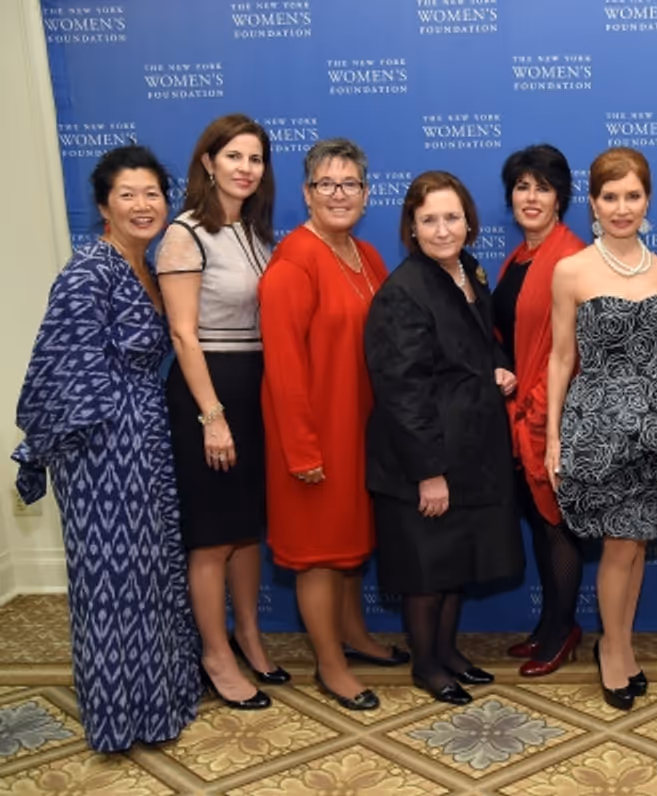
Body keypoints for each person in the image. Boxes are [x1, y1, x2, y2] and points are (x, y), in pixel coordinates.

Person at [12, 145, 201, 751]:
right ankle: (120, 718)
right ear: (103, 205)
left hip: (146, 441)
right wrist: (65, 442)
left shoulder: (142, 266)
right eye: (128, 195)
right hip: (100, 450)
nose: (143, 205)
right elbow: (57, 365)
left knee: (148, 574)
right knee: (111, 582)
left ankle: (159, 702)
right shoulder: (89, 270)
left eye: (152, 194)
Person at [546, 147, 657, 711]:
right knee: (619, 545)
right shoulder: (571, 270)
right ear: (593, 203)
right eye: (610, 197)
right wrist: (553, 439)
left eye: (632, 196)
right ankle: (612, 650)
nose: (622, 208)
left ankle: (622, 645)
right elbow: (561, 359)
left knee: (637, 542)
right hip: (600, 425)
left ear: (647, 201)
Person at [365, 171, 525, 705]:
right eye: (429, 219)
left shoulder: (468, 272)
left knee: (457, 563)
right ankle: (428, 666)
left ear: (468, 221)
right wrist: (427, 473)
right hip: (425, 456)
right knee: (426, 570)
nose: (441, 229)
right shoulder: (403, 292)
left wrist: (499, 367)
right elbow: (401, 390)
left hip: (471, 447)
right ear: (411, 225)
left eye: (451, 217)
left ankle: (450, 652)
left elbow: (483, 343)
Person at [258, 138, 403, 712]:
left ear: (366, 195)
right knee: (318, 553)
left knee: (348, 545)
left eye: (350, 185)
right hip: (313, 434)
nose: (339, 194)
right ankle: (331, 663)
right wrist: (301, 448)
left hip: (359, 430)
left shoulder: (366, 255)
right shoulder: (294, 260)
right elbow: (284, 366)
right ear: (307, 193)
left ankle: (356, 635)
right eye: (327, 184)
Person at [157, 113, 285, 711]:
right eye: (233, 156)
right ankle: (215, 656)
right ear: (208, 162)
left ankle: (250, 638)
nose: (245, 168)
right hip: (208, 391)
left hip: (256, 387)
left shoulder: (257, 233)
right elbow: (183, 335)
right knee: (211, 537)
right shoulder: (186, 233)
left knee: (245, 529)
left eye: (255, 159)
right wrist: (212, 415)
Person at [493, 145, 587, 676]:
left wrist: (537, 412)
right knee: (540, 523)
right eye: (523, 186)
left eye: (543, 187)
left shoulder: (567, 258)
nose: (531, 196)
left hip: (551, 417)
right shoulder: (521, 255)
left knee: (559, 527)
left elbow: (568, 354)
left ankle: (562, 629)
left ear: (561, 198)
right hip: (521, 414)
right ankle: (551, 622)